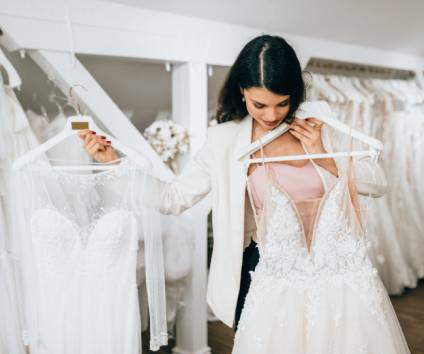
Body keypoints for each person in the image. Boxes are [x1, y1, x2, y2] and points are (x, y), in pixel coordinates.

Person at [78, 34, 387, 332]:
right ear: (242, 91)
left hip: (330, 273)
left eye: (282, 103)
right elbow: (172, 198)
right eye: (259, 104)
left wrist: (326, 157)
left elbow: (376, 185)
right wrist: (112, 163)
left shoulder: (320, 123)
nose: (272, 115)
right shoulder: (224, 140)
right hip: (262, 271)